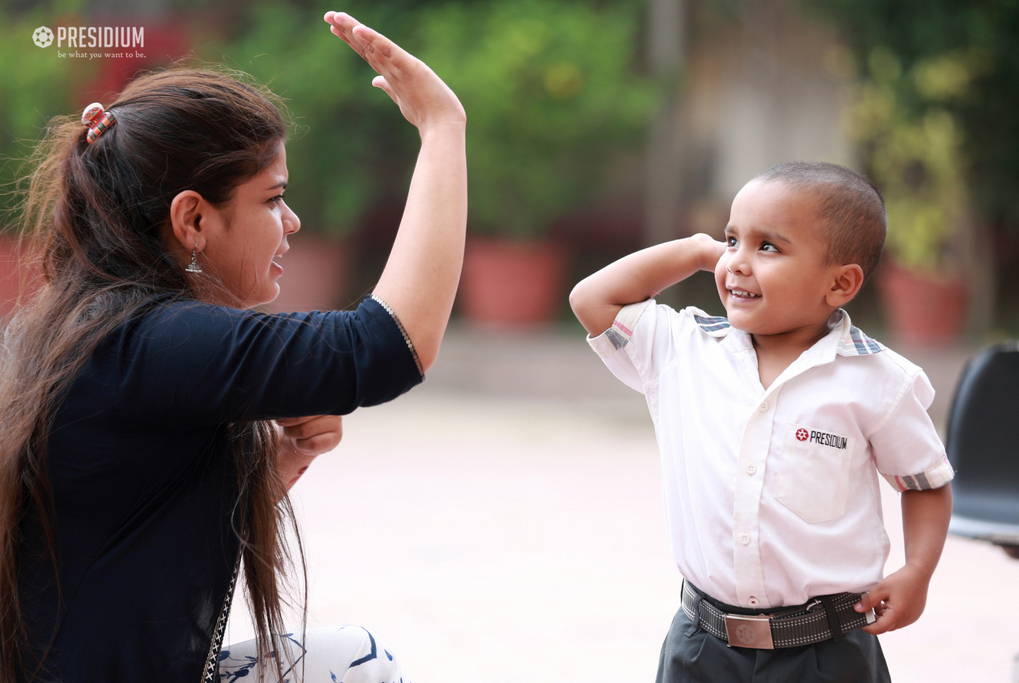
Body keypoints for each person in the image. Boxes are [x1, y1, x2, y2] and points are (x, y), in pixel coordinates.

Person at [0, 11, 466, 683]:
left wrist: (272, 465)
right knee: (363, 664)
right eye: (272, 199)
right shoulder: (150, 337)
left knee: (354, 658)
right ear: (193, 218)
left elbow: (130, 546)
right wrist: (443, 130)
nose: (293, 222)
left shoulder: (91, 322)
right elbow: (386, 346)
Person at [569, 162, 953, 682]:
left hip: (827, 652)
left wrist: (917, 572)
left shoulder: (879, 379)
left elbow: (924, 483)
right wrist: (700, 251)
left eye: (768, 247)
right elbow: (591, 299)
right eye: (733, 240)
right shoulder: (684, 348)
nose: (738, 264)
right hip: (701, 649)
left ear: (840, 283)